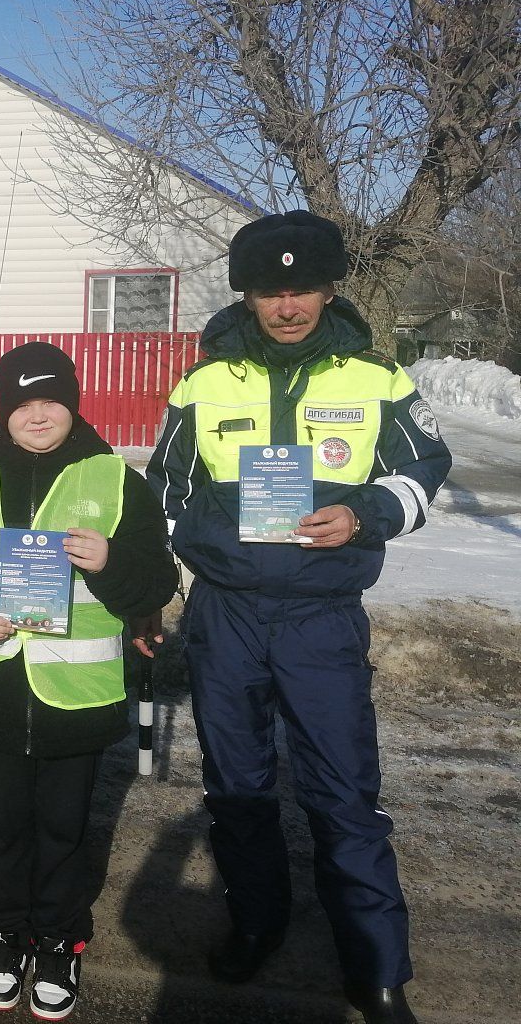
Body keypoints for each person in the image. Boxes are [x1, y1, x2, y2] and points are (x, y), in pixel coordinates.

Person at [147, 210, 451, 1024]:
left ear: (328, 289)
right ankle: (258, 924)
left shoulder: (374, 377)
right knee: (239, 790)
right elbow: (164, 492)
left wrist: (367, 514)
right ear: (247, 296)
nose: (288, 306)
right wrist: (208, 552)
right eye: (270, 291)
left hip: (322, 616)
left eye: (303, 288)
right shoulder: (204, 383)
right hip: (229, 616)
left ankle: (377, 967)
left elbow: (426, 467)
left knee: (344, 791)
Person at [0, 344, 177, 1021]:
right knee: (5, 828)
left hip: (76, 699)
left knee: (63, 829)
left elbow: (156, 580)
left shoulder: (115, 478)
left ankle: (58, 941)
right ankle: (3, 938)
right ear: (3, 408)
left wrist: (111, 559)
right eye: (23, 402)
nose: (38, 414)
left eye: (51, 400)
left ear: (73, 403)